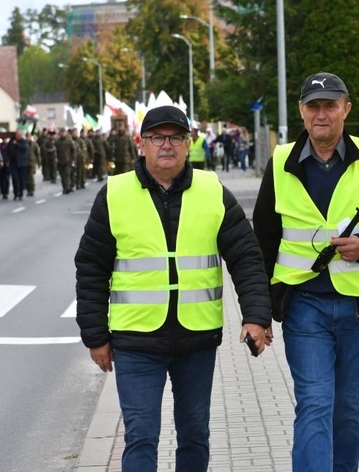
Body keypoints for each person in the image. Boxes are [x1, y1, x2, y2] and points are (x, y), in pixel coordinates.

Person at [75, 104, 272, 472]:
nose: (167, 145)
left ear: (188, 142)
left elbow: (246, 256)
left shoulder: (212, 192)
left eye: (176, 137)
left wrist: (256, 316)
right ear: (142, 144)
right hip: (135, 341)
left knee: (195, 434)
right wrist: (95, 335)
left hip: (196, 339)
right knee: (141, 436)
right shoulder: (115, 194)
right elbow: (91, 267)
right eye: (157, 137)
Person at [253, 71, 359, 471]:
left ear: (346, 109)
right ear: (301, 112)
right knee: (314, 403)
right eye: (313, 106)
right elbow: (263, 242)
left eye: (330, 105)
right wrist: (258, 313)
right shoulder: (279, 163)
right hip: (303, 305)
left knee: (350, 410)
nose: (321, 114)